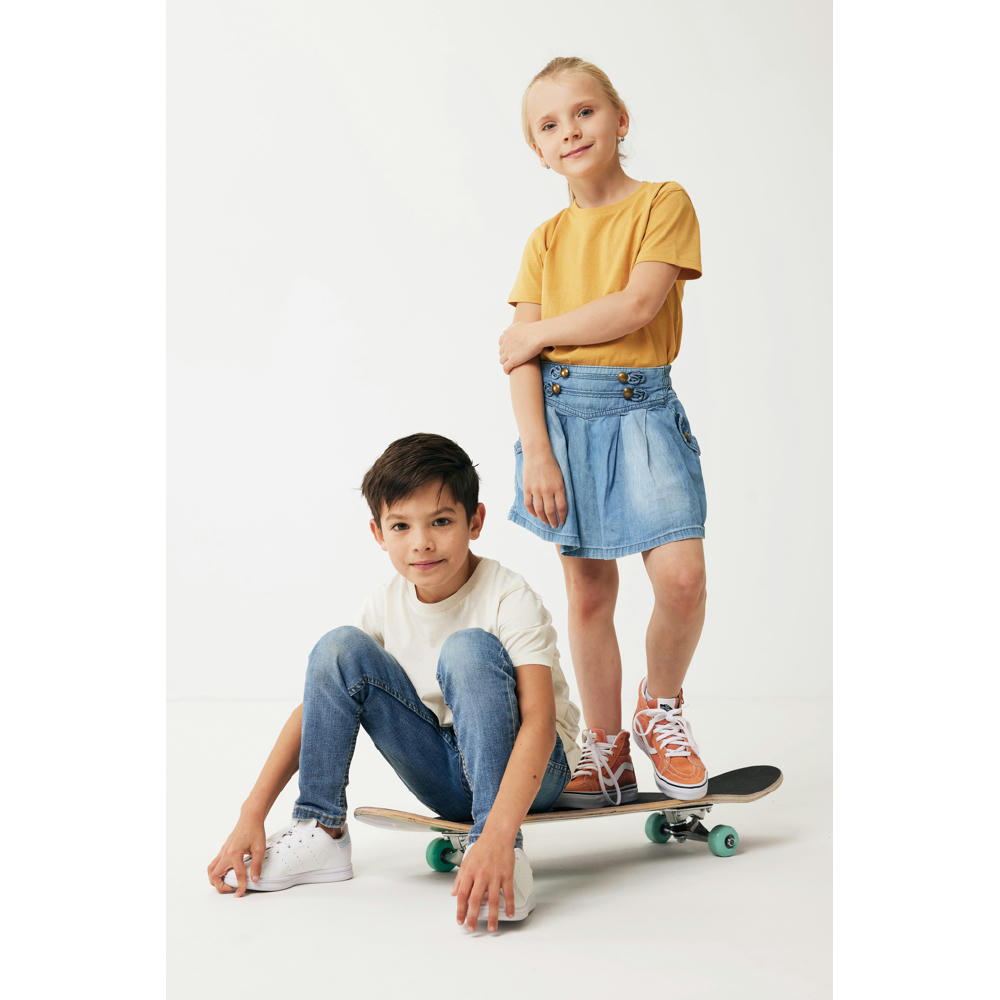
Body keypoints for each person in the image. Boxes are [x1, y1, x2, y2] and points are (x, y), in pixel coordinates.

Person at [206, 433, 580, 933]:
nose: (421, 542)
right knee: (339, 648)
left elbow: (539, 722)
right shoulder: (385, 603)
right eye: (401, 525)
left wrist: (497, 835)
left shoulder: (508, 595)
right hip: (446, 774)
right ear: (378, 533)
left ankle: (500, 852)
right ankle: (321, 830)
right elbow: (319, 705)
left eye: (441, 522)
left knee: (467, 649)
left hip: (534, 769)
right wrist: (250, 814)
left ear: (475, 522)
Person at [499, 57, 709, 810]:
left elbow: (636, 306)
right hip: (564, 419)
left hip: (641, 410)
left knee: (681, 579)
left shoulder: (662, 202)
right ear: (539, 151)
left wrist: (539, 332)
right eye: (549, 124)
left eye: (584, 112)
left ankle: (660, 707)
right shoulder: (545, 241)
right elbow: (519, 361)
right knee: (588, 595)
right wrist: (538, 451)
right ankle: (607, 747)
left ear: (620, 121)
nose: (570, 130)